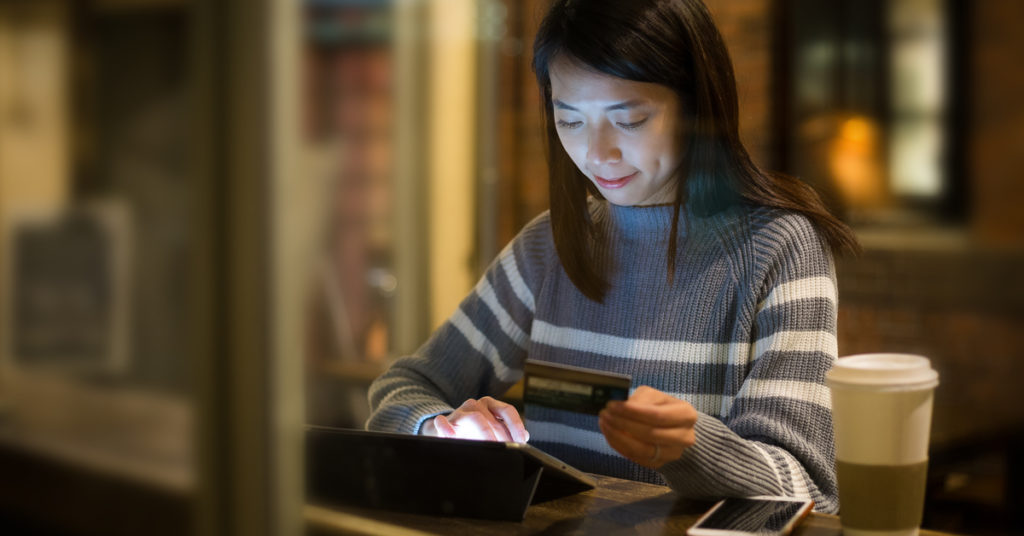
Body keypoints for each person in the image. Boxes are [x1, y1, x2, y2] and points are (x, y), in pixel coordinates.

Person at [366, 0, 858, 514]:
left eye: (629, 120)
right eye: (570, 120)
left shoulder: (780, 248)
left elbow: (809, 489)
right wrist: (440, 427)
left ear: (696, 107)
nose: (597, 153)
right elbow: (403, 388)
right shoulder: (551, 246)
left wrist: (692, 446)